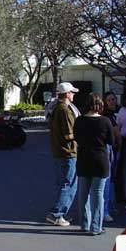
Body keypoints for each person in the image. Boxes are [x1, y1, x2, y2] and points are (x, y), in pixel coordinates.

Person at [73, 93, 114, 235]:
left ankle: (84, 224)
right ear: (100, 105)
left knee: (83, 193)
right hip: (100, 159)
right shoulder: (105, 121)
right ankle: (96, 226)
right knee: (98, 194)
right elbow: (111, 141)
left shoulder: (79, 120)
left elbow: (76, 137)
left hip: (84, 158)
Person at [46, 82, 80, 227]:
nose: (73, 95)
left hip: (59, 151)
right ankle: (57, 213)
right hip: (68, 151)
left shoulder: (55, 108)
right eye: (72, 92)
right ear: (66, 94)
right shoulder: (64, 110)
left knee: (63, 182)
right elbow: (68, 134)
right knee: (69, 183)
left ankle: (61, 212)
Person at [102, 91, 123, 222]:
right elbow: (117, 135)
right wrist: (119, 144)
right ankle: (106, 208)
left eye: (114, 99)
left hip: (113, 150)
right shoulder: (108, 117)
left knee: (112, 180)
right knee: (108, 181)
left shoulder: (117, 113)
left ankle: (110, 205)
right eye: (109, 100)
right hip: (111, 150)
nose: (113, 102)